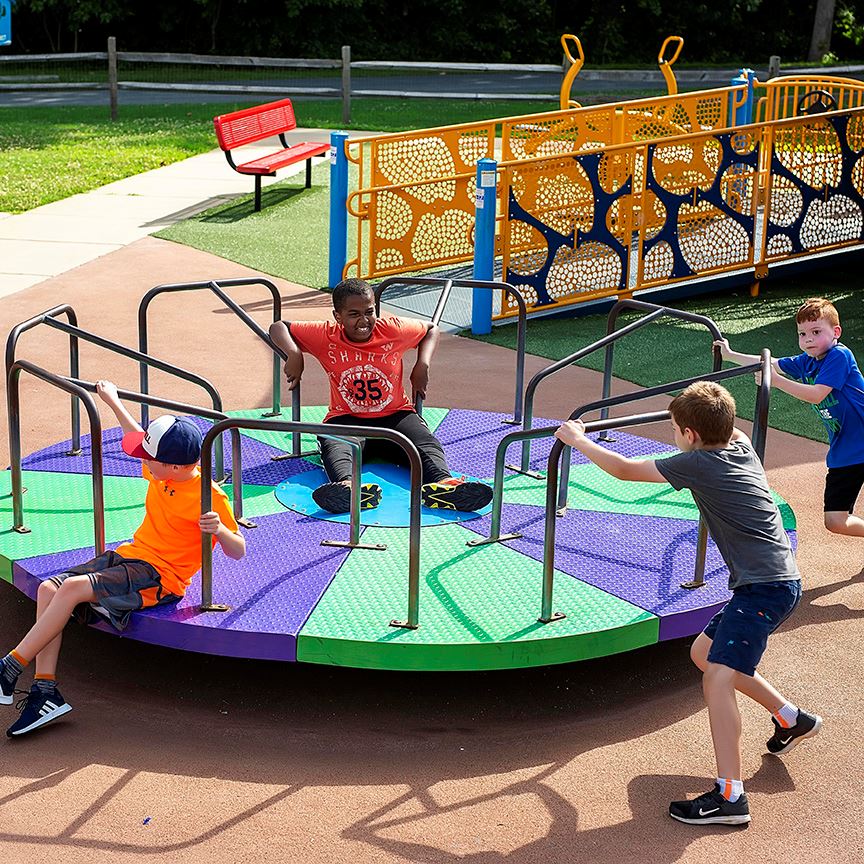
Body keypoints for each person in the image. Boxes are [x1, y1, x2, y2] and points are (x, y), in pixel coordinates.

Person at [555, 381, 820, 827]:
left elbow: (622, 470)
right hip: (771, 582)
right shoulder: (740, 447)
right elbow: (722, 424)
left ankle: (730, 797)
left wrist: (577, 439)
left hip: (764, 589)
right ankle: (790, 718)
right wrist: (703, 405)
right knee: (703, 653)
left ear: (691, 436)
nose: (675, 436)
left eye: (677, 429)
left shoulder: (700, 464)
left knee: (718, 677)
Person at [0, 381, 246, 737]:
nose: (142, 461)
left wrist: (220, 532)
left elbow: (238, 550)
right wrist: (114, 402)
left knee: (70, 588)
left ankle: (10, 665)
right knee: (49, 591)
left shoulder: (209, 497)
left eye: (149, 458)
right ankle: (45, 690)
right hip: (130, 556)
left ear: (173, 466)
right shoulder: (163, 471)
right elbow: (138, 435)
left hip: (161, 576)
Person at [268, 278, 493, 514]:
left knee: (425, 443)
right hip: (346, 417)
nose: (364, 321)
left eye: (369, 312)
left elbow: (430, 329)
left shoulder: (392, 329)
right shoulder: (326, 334)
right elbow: (278, 327)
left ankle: (444, 485)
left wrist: (422, 364)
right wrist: (294, 353)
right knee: (334, 443)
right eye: (354, 314)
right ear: (338, 317)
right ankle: (349, 488)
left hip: (396, 416)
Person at [715, 296, 864, 539]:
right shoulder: (807, 362)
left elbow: (817, 395)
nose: (808, 339)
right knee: (835, 520)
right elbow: (770, 363)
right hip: (845, 451)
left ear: (836, 331)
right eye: (802, 334)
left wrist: (777, 381)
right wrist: (731, 355)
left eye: (816, 331)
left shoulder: (839, 355)